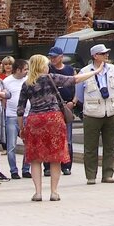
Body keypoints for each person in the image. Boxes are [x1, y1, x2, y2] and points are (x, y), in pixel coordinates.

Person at [17, 54, 98, 202]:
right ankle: (54, 192)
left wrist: (21, 128)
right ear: (42, 66)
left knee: (35, 159)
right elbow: (74, 80)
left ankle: (38, 193)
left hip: (35, 120)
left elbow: (20, 109)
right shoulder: (50, 78)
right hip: (53, 119)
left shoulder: (26, 84)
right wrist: (95, 72)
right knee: (56, 157)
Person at [77, 44, 114, 185]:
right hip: (92, 113)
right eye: (103, 53)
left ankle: (108, 174)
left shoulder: (113, 69)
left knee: (110, 145)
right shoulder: (84, 71)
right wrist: (92, 103)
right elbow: (79, 94)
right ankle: (91, 175)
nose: (106, 55)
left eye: (107, 53)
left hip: (111, 111)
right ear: (95, 56)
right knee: (90, 146)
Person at [46, 47, 76, 175]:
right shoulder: (48, 69)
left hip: (67, 105)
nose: (52, 59)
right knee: (49, 137)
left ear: (61, 57)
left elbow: (76, 85)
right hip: (52, 106)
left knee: (67, 138)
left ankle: (66, 165)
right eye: (51, 57)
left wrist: (73, 102)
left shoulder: (69, 70)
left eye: (55, 56)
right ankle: (47, 166)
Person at [2, 59, 28, 180]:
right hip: (11, 115)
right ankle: (13, 170)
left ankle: (26, 169)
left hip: (27, 115)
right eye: (25, 69)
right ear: (18, 70)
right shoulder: (7, 81)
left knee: (28, 144)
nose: (27, 71)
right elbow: (4, 98)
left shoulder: (27, 80)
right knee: (11, 145)